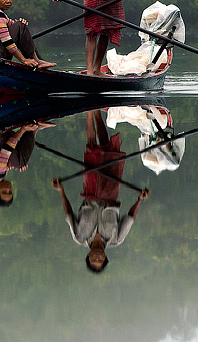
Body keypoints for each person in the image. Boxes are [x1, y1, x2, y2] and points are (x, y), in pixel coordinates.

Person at [51, 109, 149, 273]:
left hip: (90, 193)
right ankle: (97, 114)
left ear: (88, 256)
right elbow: (130, 218)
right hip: (111, 191)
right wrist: (140, 200)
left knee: (91, 148)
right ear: (105, 257)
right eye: (100, 260)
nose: (97, 257)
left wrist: (61, 190)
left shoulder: (79, 237)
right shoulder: (116, 239)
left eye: (94, 260)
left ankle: (89, 112)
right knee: (107, 151)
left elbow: (68, 214)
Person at [0, 121, 53, 207]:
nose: (8, 189)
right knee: (18, 163)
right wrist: (13, 165)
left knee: (20, 162)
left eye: (4, 192)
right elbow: (2, 161)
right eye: (10, 192)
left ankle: (33, 128)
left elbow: (6, 151)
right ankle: (33, 129)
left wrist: (23, 129)